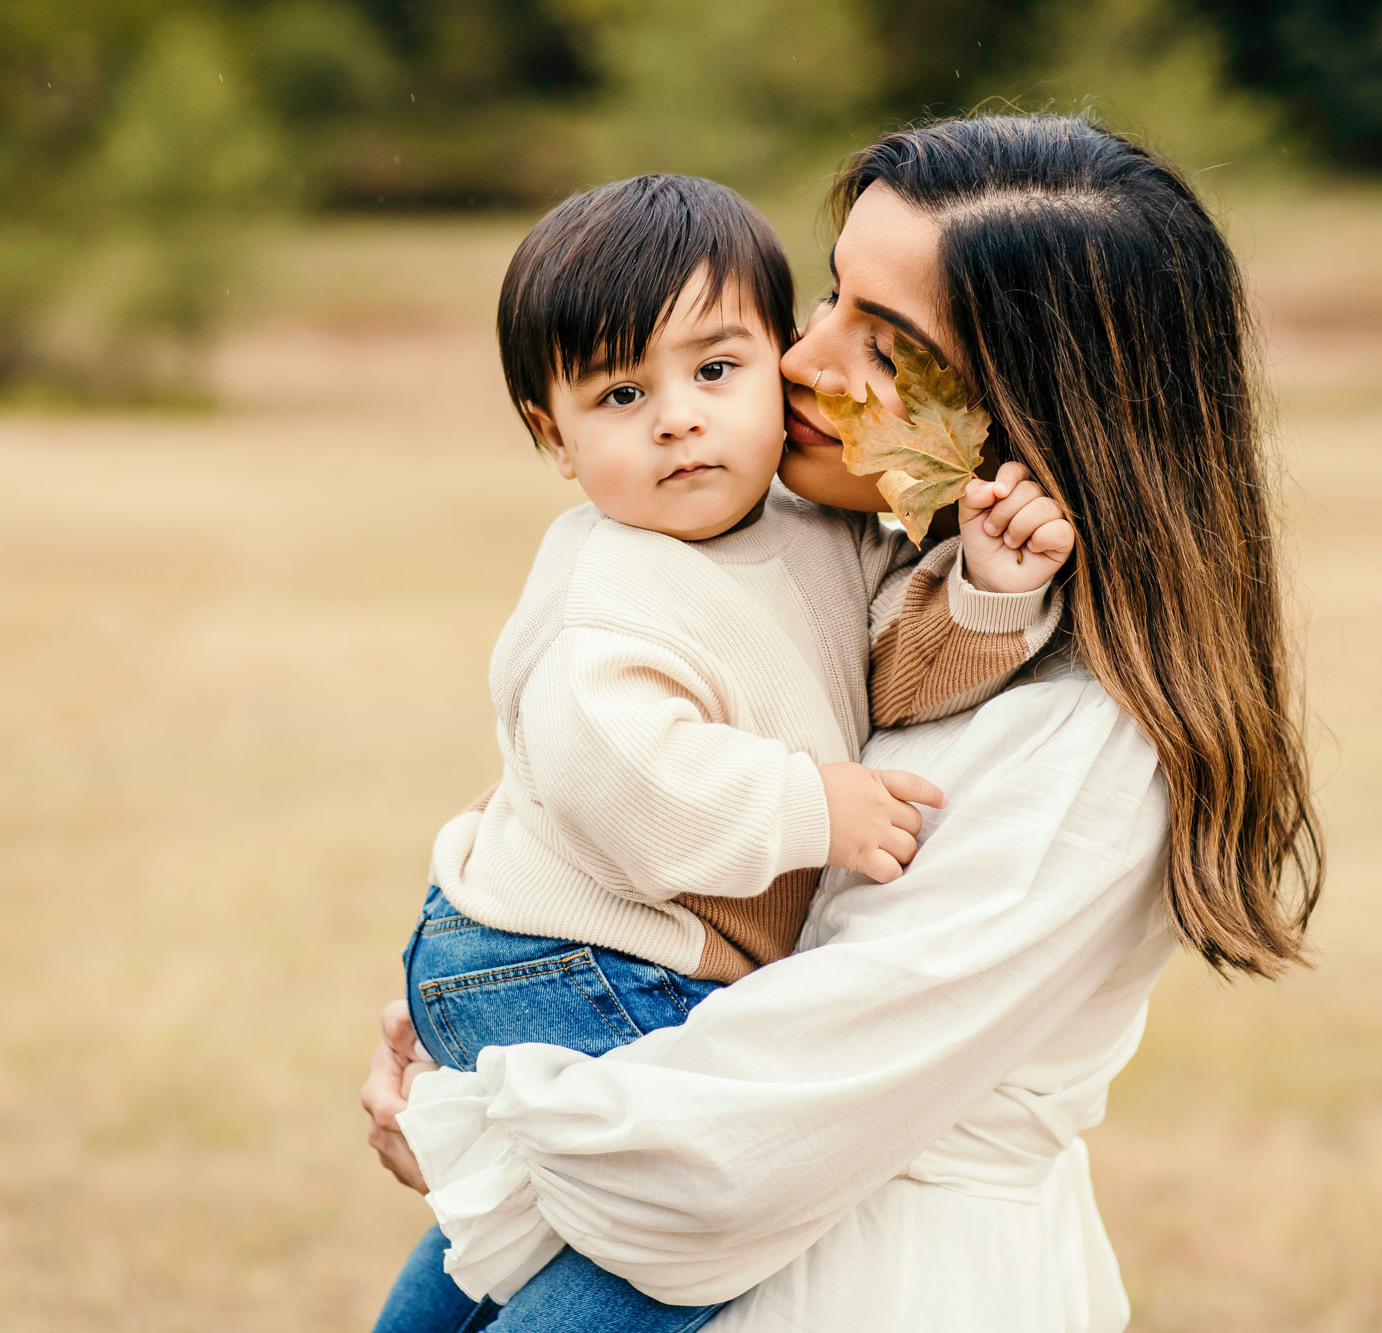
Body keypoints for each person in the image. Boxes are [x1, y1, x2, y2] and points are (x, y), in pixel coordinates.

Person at [363, 113, 1324, 1332]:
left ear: (1032, 403)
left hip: (870, 1277)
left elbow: (745, 1137)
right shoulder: (746, 557)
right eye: (825, 298)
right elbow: (605, 776)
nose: (799, 356)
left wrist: (483, 1123)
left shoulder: (1082, 739)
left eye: (888, 341)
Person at [373, 172, 1076, 1333]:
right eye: (618, 393)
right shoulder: (606, 588)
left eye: (713, 370)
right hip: (567, 953)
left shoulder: (817, 532)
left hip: (617, 955)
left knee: (528, 1215)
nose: (676, 418)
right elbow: (628, 785)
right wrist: (810, 808)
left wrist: (991, 595)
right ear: (552, 438)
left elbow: (896, 670)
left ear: (776, 362)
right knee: (681, 1225)